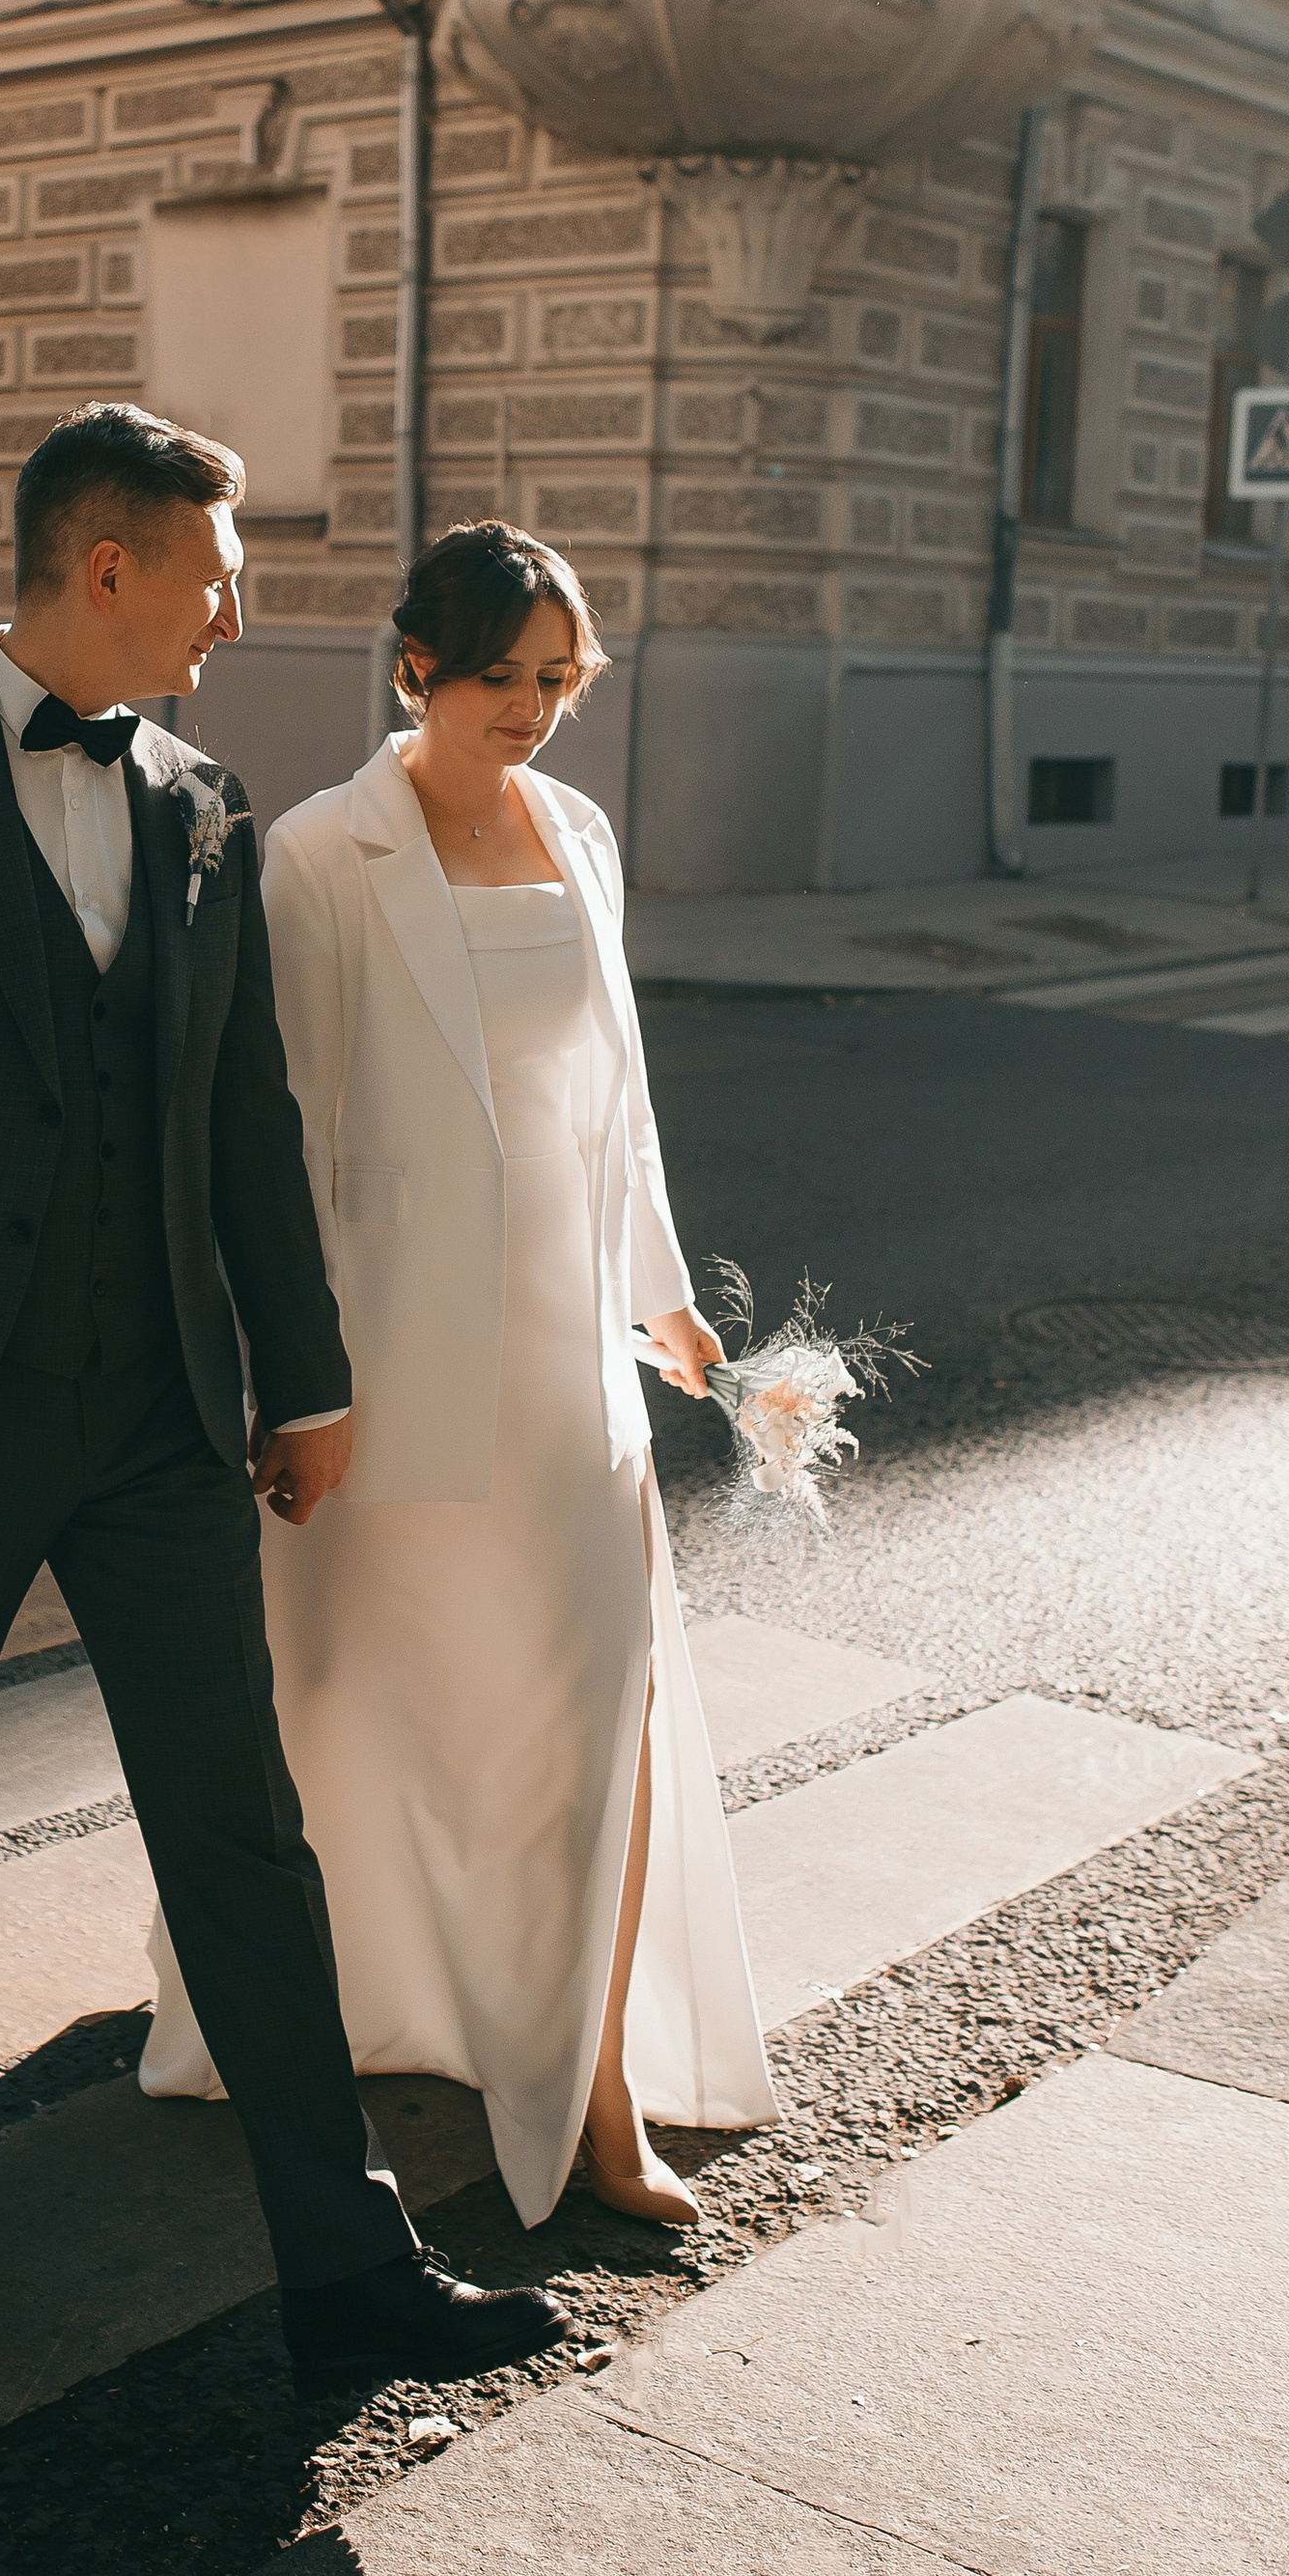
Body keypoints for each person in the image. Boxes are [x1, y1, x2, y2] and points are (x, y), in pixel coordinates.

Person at [0, 406, 574, 2382]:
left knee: (238, 1825)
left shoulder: (201, 800)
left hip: (156, 1414)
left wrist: (306, 1375)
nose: (233, 611)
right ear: (106, 566)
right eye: (211, 571)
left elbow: (238, 1128)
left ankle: (345, 2268)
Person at [143, 519, 779, 2227]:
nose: (536, 711)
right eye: (505, 676)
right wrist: (298, 1385)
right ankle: (354, 2008)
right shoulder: (320, 854)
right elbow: (273, 1141)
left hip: (570, 1364)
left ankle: (597, 2093)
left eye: (562, 681)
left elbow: (614, 1092)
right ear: (417, 665)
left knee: (601, 1711)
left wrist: (664, 1300)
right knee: (346, 1702)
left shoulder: (577, 828)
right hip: (383, 1357)